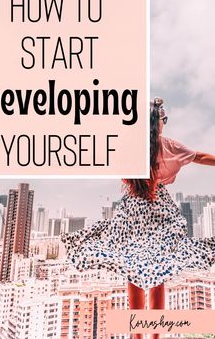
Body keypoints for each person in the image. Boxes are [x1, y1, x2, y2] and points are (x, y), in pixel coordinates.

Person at [59, 97, 215, 339]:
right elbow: (201, 157)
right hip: (159, 211)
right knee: (158, 274)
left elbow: (119, 172)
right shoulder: (170, 145)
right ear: (161, 122)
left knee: (132, 270)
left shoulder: (131, 146)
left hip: (132, 211)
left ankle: (137, 336)